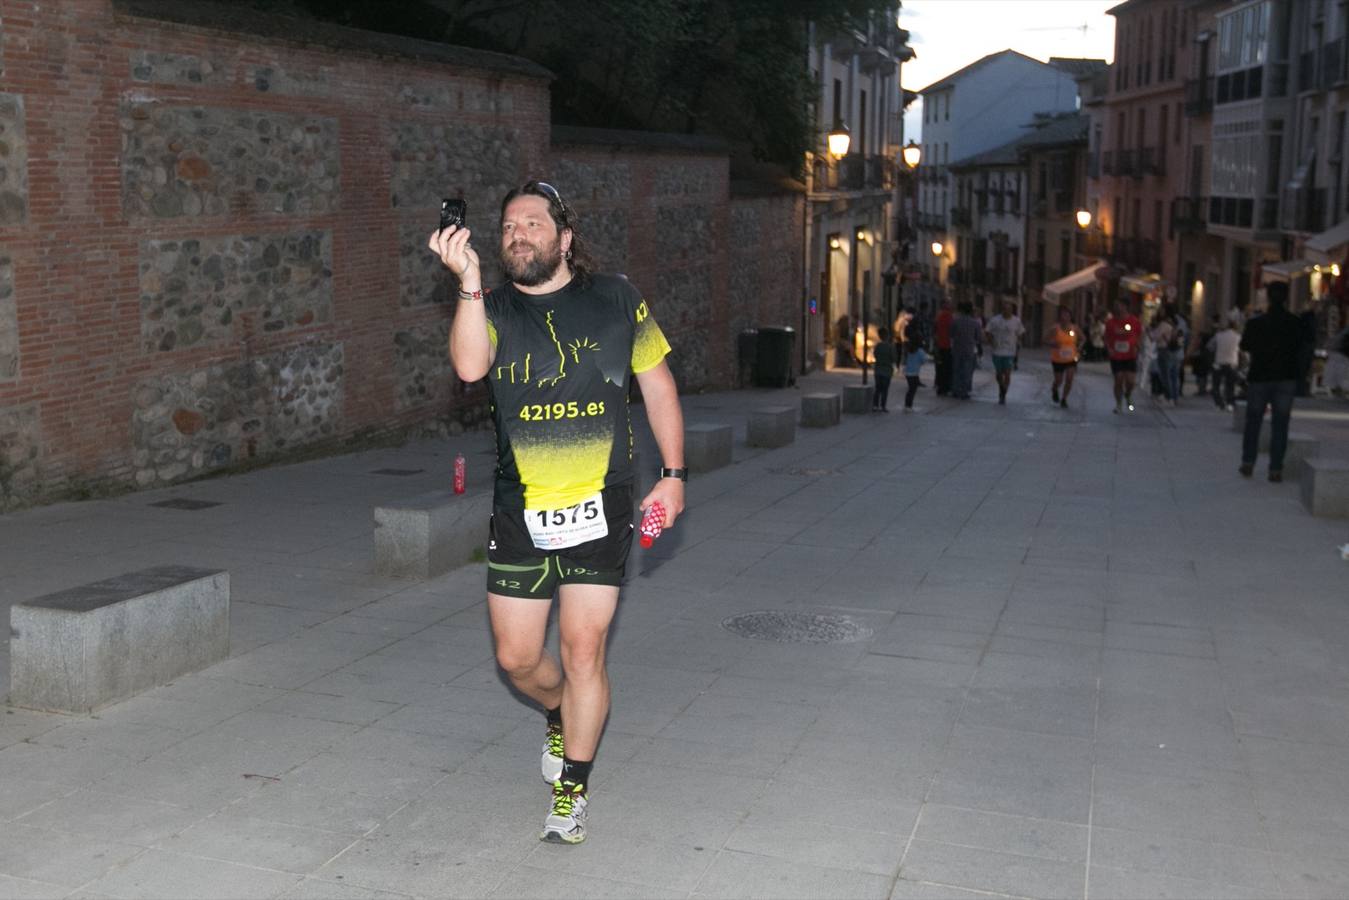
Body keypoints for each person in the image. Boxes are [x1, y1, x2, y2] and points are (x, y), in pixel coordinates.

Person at [429, 180, 687, 845]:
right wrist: (465, 280)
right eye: (509, 226)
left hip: (602, 504)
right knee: (516, 658)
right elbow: (466, 368)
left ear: (564, 238)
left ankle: (572, 785)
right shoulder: (487, 307)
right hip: (521, 509)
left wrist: (675, 476)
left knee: (582, 647)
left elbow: (657, 384)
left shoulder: (615, 299)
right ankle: (557, 713)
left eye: (533, 224)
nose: (518, 234)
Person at [1239, 281, 1304, 482]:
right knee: (1281, 424)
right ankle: (1276, 468)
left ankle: (1248, 462)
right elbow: (1302, 348)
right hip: (1286, 377)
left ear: (1267, 297)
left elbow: (1245, 345)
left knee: (1253, 422)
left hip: (1260, 376)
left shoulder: (1256, 323)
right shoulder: (1295, 322)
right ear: (1286, 297)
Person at [984, 300, 1025, 405]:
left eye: (1009, 309)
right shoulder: (995, 320)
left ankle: (1003, 393)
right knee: (998, 374)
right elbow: (987, 331)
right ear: (1002, 310)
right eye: (1005, 309)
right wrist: (991, 342)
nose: (1007, 311)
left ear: (1012, 310)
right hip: (997, 351)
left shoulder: (1016, 321)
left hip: (1010, 352)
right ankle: (1001, 387)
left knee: (1007, 373)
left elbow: (1020, 333)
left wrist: (1019, 343)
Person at [1104, 299, 1141, 413]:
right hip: (1116, 355)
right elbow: (1106, 337)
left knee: (1131, 381)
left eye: (1119, 305)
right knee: (1118, 380)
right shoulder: (1110, 322)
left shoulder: (1134, 321)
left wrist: (1137, 347)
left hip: (1130, 354)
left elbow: (1139, 335)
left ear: (1125, 307)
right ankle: (1118, 404)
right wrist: (1109, 348)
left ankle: (1128, 394)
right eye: (1116, 305)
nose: (1117, 308)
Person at [1045, 305, 1081, 408]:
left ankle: (1064, 399)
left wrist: (1079, 347)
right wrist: (1052, 344)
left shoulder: (1075, 328)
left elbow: (1083, 339)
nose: (1065, 317)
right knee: (1059, 380)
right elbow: (1045, 339)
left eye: (1067, 315)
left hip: (1071, 358)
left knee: (1069, 378)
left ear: (1070, 317)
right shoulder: (1055, 329)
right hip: (1058, 359)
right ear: (1060, 316)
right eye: (1063, 315)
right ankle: (1054, 388)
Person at [950, 301, 981, 400]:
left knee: (956, 370)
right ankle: (964, 391)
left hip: (957, 348)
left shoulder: (955, 321)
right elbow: (978, 337)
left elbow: (951, 334)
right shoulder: (975, 323)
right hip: (969, 349)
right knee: (967, 371)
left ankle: (955, 390)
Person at [1208, 316, 1241, 410]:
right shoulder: (1238, 337)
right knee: (1230, 385)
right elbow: (1242, 350)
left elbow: (1210, 347)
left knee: (1216, 385)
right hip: (1232, 363)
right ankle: (1230, 403)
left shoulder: (1218, 335)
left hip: (1218, 362)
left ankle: (1219, 403)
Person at [1150, 310, 1177, 405]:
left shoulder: (1162, 326)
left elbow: (1154, 337)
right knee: (1167, 374)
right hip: (1167, 350)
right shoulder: (1170, 326)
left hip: (1163, 350)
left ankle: (1168, 396)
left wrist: (1150, 332)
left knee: (1164, 374)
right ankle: (1169, 396)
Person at [872, 326, 896, 412]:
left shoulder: (878, 346)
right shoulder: (890, 347)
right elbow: (893, 358)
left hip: (878, 369)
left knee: (878, 389)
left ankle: (875, 405)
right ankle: (883, 406)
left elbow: (875, 355)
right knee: (885, 390)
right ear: (887, 336)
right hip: (887, 370)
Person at [933, 299, 954, 396]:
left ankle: (939, 385)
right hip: (947, 345)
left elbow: (935, 329)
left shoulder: (938, 316)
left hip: (940, 345)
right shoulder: (949, 316)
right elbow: (952, 330)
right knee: (947, 367)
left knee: (940, 367)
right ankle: (945, 387)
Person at [902, 335, 927, 412]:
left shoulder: (909, 349)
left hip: (907, 372)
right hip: (914, 373)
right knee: (912, 390)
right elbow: (923, 360)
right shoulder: (920, 351)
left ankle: (907, 405)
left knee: (910, 389)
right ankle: (908, 406)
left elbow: (905, 360)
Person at [1326, 321, 1349, 397]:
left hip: (1337, 351)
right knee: (1341, 373)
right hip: (1341, 352)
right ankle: (1338, 389)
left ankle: (1336, 389)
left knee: (1337, 372)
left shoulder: (1345, 330)